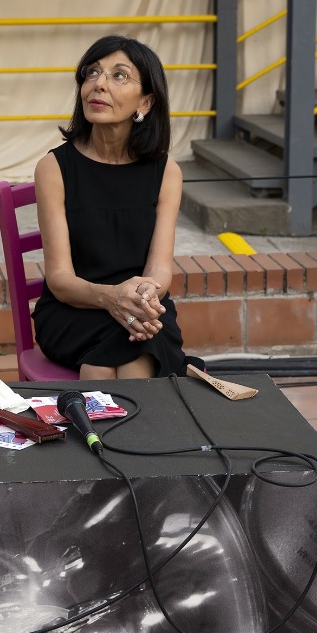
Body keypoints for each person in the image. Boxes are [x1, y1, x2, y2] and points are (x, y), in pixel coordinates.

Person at [32, 36, 185, 380]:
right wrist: (111, 298)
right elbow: (59, 280)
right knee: (135, 352)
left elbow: (160, 269)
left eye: (119, 76)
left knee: (110, 361)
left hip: (141, 309)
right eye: (92, 73)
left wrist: (143, 295)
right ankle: (143, 432)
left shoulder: (167, 173)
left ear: (145, 102)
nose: (98, 84)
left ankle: (98, 433)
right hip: (72, 310)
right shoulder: (54, 168)